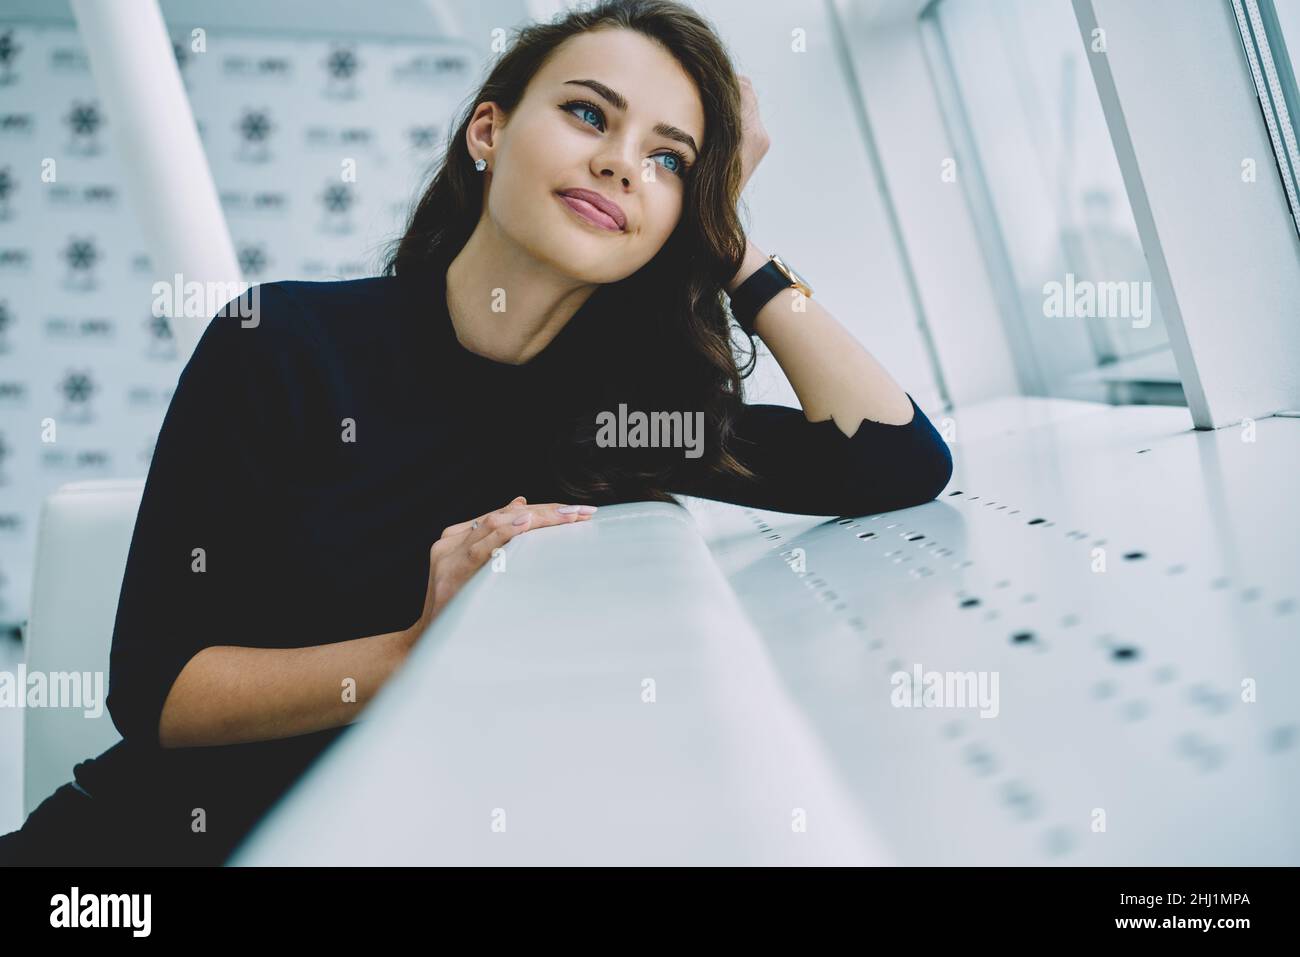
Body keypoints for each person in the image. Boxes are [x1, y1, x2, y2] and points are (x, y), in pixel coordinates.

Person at [0, 0, 952, 866]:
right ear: (488, 131)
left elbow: (894, 459)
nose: (623, 161)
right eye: (589, 113)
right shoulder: (282, 342)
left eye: (671, 160)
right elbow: (156, 691)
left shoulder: (619, 422)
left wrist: (732, 242)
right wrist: (415, 649)